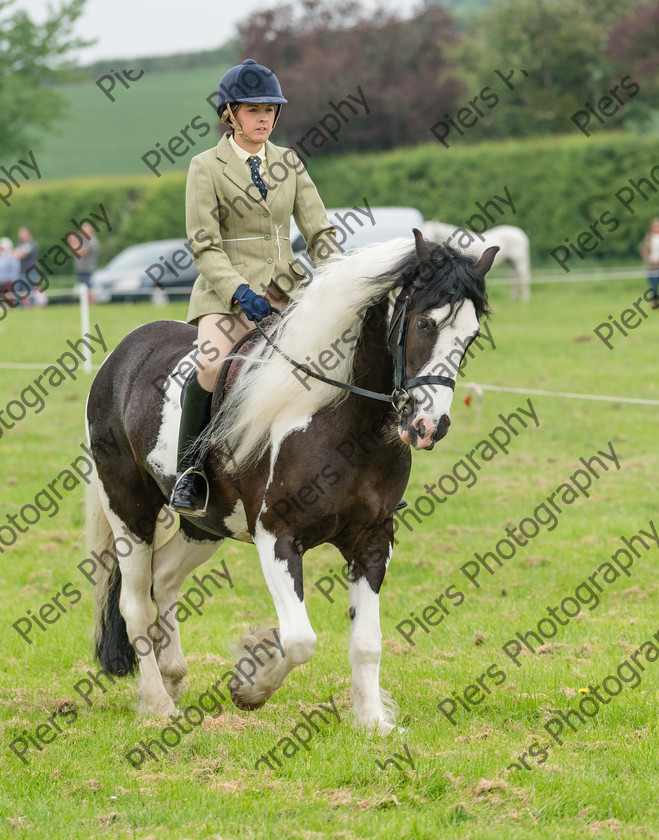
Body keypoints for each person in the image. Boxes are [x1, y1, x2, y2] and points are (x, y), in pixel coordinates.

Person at [169, 58, 337, 516]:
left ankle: (355, 469)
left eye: (270, 110)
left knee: (340, 359)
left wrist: (341, 276)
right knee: (210, 364)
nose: (264, 118)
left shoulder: (289, 162)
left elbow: (320, 232)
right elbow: (203, 244)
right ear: (230, 115)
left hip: (289, 292)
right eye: (252, 110)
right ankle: (192, 472)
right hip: (227, 295)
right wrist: (240, 293)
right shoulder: (205, 167)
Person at [13, 227, 39, 308]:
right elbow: (14, 254)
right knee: (18, 291)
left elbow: (18, 255)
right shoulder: (20, 243)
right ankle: (19, 309)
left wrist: (17, 252)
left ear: (27, 233)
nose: (20, 235)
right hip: (20, 272)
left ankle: (31, 308)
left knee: (30, 291)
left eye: (22, 233)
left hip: (30, 272)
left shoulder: (32, 244)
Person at [75, 222, 100, 296]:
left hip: (88, 270)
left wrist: (73, 241)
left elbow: (82, 253)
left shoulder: (92, 241)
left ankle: (92, 305)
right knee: (83, 289)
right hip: (82, 270)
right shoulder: (84, 241)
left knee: (90, 289)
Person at [640, 218, 659, 310]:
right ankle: (654, 302)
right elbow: (643, 249)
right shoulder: (648, 238)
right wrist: (647, 258)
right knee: (653, 285)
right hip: (652, 266)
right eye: (655, 226)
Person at [0, 237, 20, 307]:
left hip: (8, 281)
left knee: (10, 298)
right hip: (1, 281)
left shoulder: (12, 255)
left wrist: (11, 279)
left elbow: (15, 268)